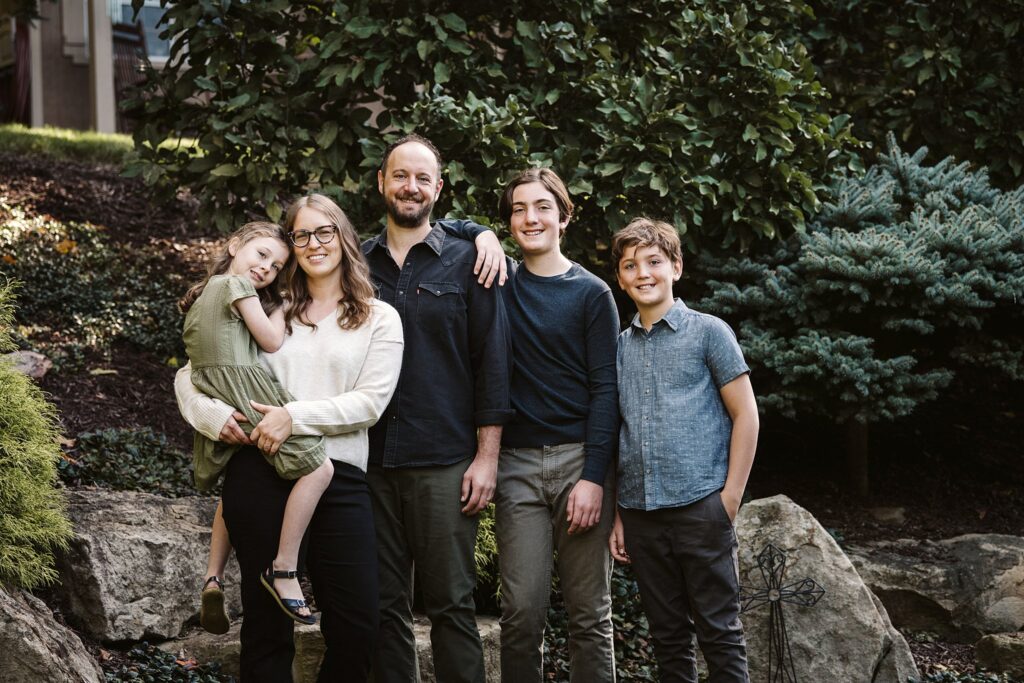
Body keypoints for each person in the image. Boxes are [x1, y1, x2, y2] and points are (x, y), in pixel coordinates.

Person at [175, 195, 404, 682]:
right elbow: (195, 373)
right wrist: (212, 416)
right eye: (301, 235)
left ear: (343, 237)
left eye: (325, 232)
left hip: (337, 474)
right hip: (261, 468)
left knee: (359, 623)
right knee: (265, 625)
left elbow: (370, 403)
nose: (313, 244)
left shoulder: (377, 318)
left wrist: (292, 417)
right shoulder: (263, 308)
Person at [444, 167, 619, 682]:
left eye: (542, 206)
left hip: (579, 462)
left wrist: (593, 476)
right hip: (517, 466)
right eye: (518, 209)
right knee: (522, 613)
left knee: (590, 615)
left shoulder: (592, 294)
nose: (530, 217)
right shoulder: (497, 282)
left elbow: (606, 391)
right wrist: (479, 233)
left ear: (564, 216)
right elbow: (441, 226)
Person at [361, 133, 513, 683]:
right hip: (369, 460)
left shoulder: (469, 259)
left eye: (423, 177)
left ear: (439, 188)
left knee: (451, 603)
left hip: (445, 460)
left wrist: (487, 457)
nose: (411, 186)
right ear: (382, 182)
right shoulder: (354, 262)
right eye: (401, 175)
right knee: (384, 606)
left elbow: (491, 364)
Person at [607, 217, 759, 683]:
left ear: (676, 267)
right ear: (620, 278)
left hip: (702, 507)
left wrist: (729, 499)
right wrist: (618, 516)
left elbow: (747, 417)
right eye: (630, 265)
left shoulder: (709, 332)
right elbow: (618, 431)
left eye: (654, 261)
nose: (642, 273)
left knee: (720, 633)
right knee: (668, 638)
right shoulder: (618, 347)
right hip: (642, 515)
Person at [179, 221, 334, 632]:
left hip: (218, 393)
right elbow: (270, 341)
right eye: (261, 255)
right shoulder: (237, 289)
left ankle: (213, 576)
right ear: (234, 246)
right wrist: (284, 304)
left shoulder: (202, 295)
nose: (267, 268)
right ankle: (283, 567)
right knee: (321, 468)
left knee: (236, 486)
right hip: (247, 392)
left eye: (277, 265)